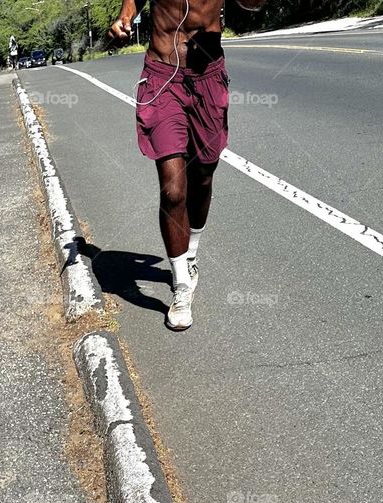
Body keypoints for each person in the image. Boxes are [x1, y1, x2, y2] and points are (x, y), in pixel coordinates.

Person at [110, 0, 266, 331]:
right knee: (172, 189)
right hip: (162, 77)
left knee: (203, 175)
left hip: (207, 75)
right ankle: (181, 286)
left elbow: (251, 4)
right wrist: (125, 19)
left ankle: (190, 254)